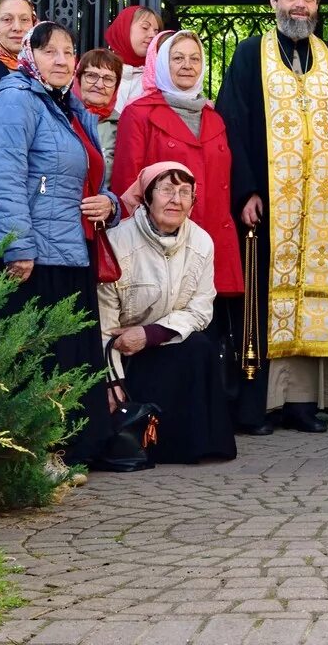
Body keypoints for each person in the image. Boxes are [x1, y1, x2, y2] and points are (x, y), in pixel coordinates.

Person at [215, 0, 328, 435]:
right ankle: (264, 404)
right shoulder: (251, 55)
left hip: (327, 212)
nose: (299, 6)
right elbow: (233, 121)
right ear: (273, 3)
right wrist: (246, 188)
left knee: (319, 298)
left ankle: (307, 402)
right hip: (271, 208)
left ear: (317, 5)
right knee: (269, 299)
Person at [0, 21, 119, 464]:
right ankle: (33, 459)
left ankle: (68, 452)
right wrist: (17, 246)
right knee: (36, 362)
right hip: (32, 257)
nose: (60, 59)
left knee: (66, 359)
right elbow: (0, 179)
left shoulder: (64, 105)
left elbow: (91, 174)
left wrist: (109, 200)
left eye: (68, 51)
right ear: (29, 56)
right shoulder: (15, 100)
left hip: (67, 250)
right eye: (49, 51)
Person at [99, 162, 236, 465]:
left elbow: (201, 309)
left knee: (199, 347)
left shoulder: (201, 241)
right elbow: (103, 322)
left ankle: (192, 446)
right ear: (147, 198)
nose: (176, 199)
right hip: (123, 353)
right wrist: (112, 383)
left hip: (161, 340)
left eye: (185, 192)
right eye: (167, 190)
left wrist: (150, 334)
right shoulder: (117, 242)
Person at [112, 29, 244, 301]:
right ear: (162, 63)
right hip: (160, 243)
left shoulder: (214, 117)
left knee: (210, 333)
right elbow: (127, 184)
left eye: (195, 59)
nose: (187, 66)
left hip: (212, 241)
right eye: (178, 58)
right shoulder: (138, 114)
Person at [74, 48, 124, 184]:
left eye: (108, 79)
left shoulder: (123, 127)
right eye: (91, 76)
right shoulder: (60, 118)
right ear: (78, 79)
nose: (100, 85)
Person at [104, 4, 162, 118]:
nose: (152, 35)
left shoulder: (160, 78)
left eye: (156, 31)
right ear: (124, 28)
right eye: (145, 27)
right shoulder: (97, 70)